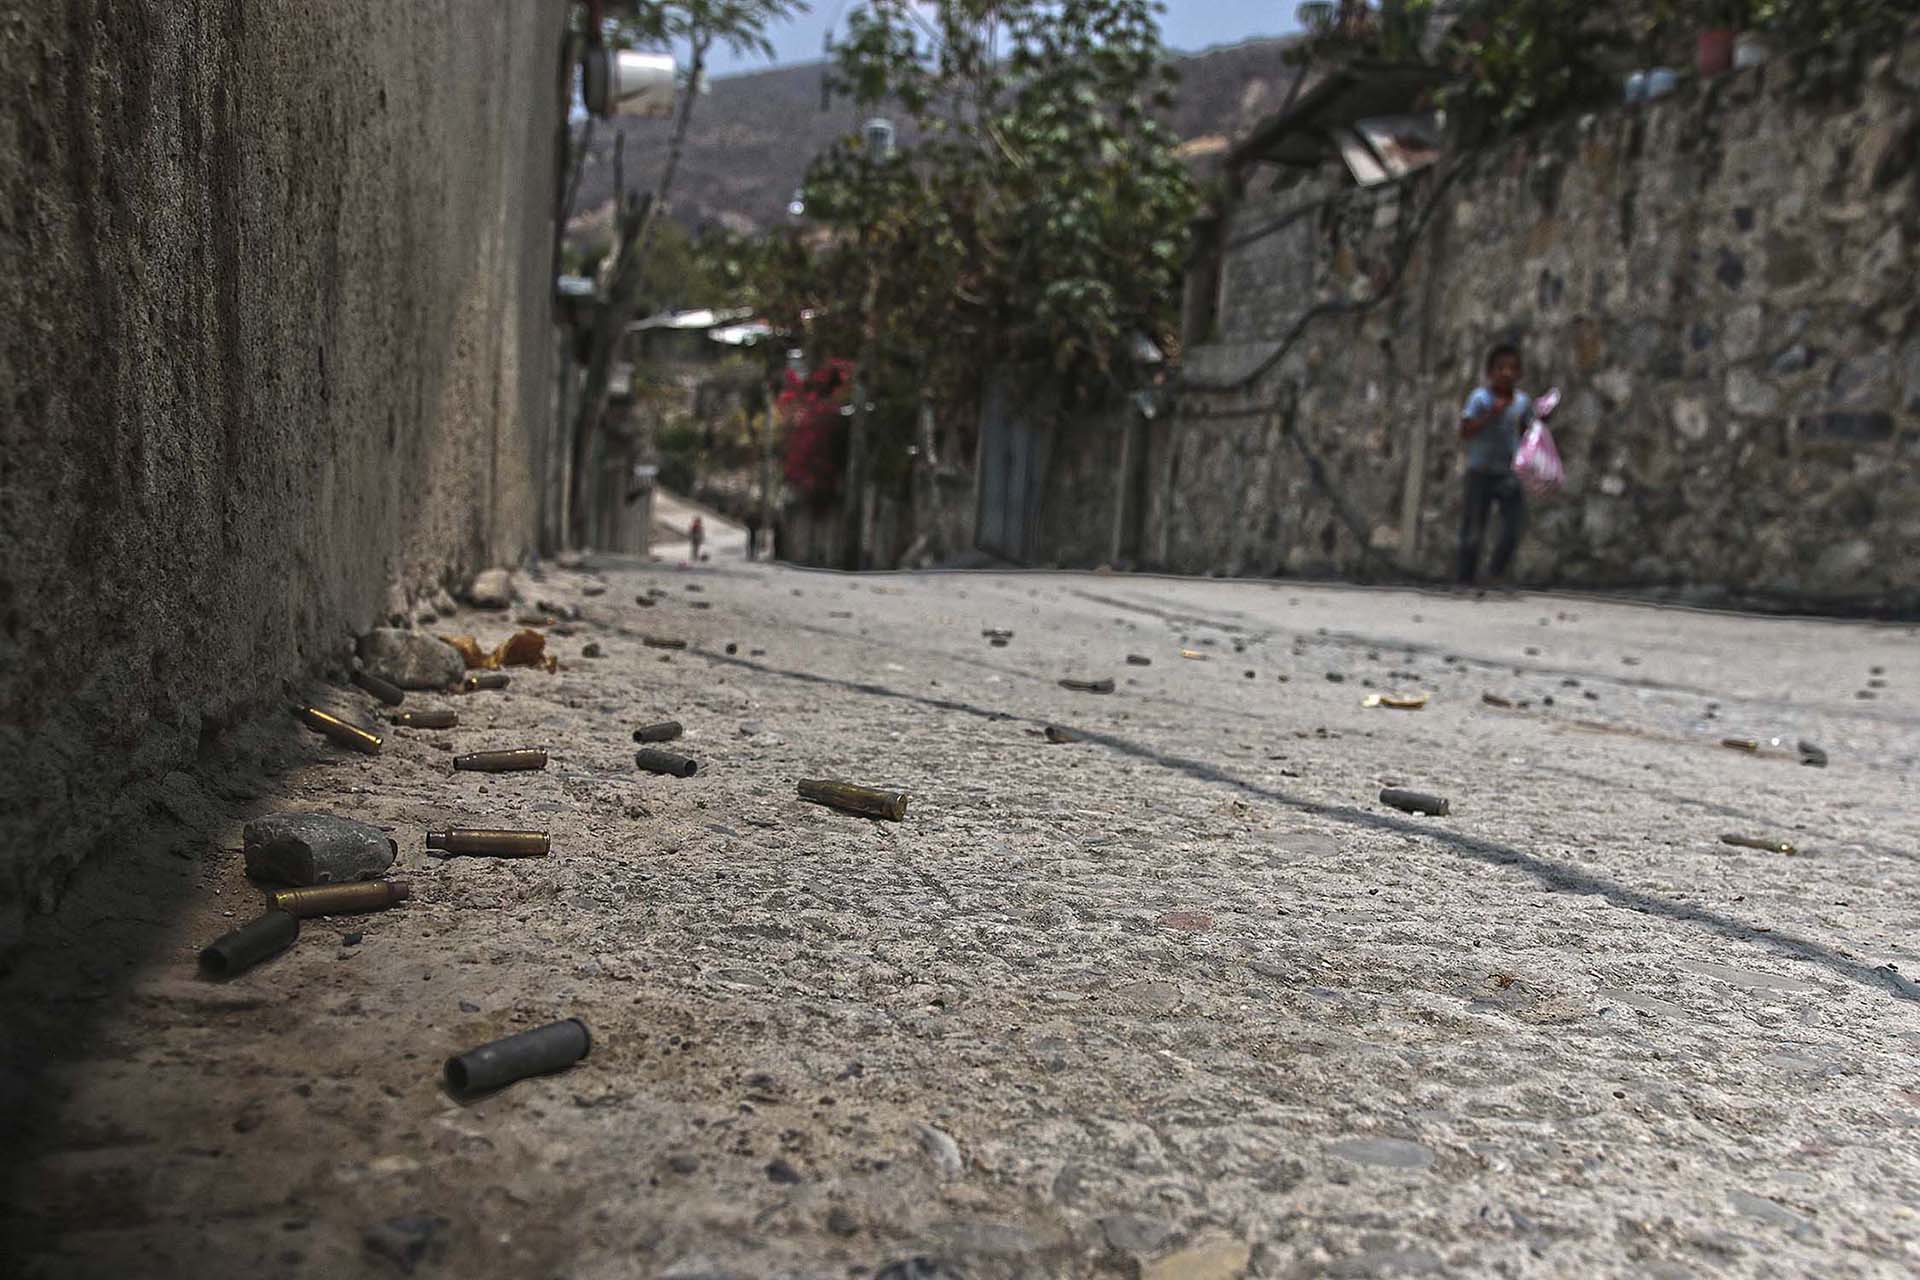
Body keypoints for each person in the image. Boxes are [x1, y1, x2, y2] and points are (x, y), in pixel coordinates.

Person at [1457, 342, 1532, 589]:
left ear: (1519, 373)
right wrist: (1491, 415)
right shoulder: (1479, 398)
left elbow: (1526, 430)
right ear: (1490, 372)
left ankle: (1495, 572)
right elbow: (1465, 431)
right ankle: (1465, 579)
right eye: (1500, 368)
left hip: (1506, 472)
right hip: (1480, 471)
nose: (1506, 373)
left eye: (1512, 368)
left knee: (1514, 525)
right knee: (1473, 532)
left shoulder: (1521, 402)